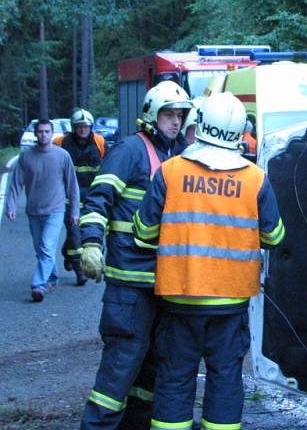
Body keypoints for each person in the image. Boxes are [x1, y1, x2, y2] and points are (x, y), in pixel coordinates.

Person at [133, 92, 284, 430]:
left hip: (179, 298)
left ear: (198, 125)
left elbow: (142, 232)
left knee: (174, 376)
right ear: (238, 132)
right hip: (230, 302)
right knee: (225, 378)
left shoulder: (170, 172)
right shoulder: (255, 178)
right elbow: (275, 237)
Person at [78, 81, 193, 430]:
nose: (175, 122)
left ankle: (136, 425)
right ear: (151, 116)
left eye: (179, 116)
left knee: (153, 365)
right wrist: (91, 242)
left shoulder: (177, 156)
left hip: (164, 280)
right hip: (129, 281)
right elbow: (98, 200)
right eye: (168, 115)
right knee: (121, 363)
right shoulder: (129, 150)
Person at [5, 118, 80, 302]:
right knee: (41, 250)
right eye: (40, 132)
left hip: (55, 210)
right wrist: (11, 204)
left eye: (47, 132)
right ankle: (52, 278)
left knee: (47, 247)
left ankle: (38, 285)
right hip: (33, 211)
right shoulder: (26, 157)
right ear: (36, 134)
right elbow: (16, 183)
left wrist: (74, 211)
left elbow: (72, 185)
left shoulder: (62, 156)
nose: (43, 135)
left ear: (52, 133)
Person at [55, 108, 106, 286]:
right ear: (73, 127)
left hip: (93, 197)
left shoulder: (99, 142)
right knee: (75, 234)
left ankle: (67, 252)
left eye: (86, 126)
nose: (83, 129)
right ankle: (79, 271)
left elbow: (107, 167)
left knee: (86, 233)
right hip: (69, 198)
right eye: (79, 126)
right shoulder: (60, 142)